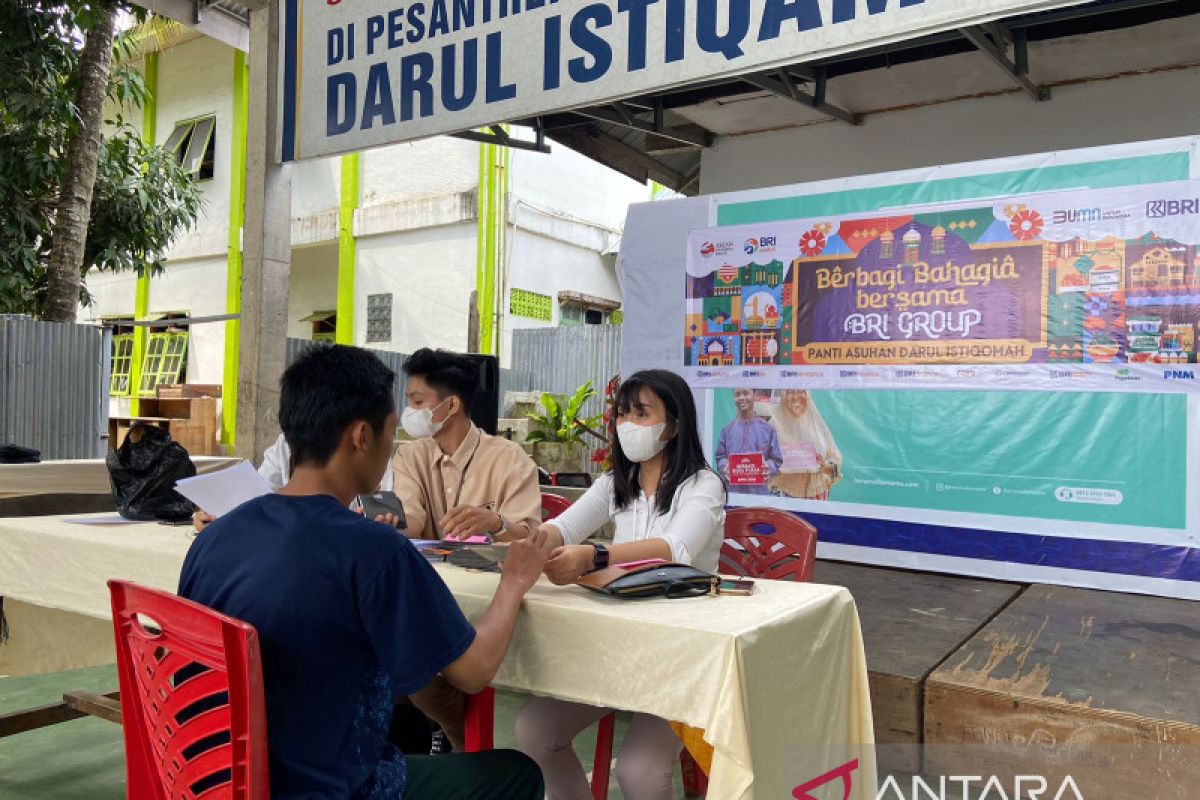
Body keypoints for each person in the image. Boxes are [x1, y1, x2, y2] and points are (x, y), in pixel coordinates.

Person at [177, 344, 546, 800]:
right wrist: (513, 583)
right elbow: (473, 673)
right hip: (331, 787)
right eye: (391, 431)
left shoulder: (213, 539)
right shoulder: (374, 551)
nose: (395, 447)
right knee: (516, 773)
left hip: (215, 779)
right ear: (361, 437)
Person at [514, 369, 726, 800]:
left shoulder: (703, 485)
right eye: (623, 413)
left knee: (638, 773)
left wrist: (596, 556)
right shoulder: (616, 482)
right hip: (618, 647)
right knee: (534, 731)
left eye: (642, 413)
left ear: (675, 426)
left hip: (681, 655)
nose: (628, 423)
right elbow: (564, 526)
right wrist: (527, 545)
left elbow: (676, 547)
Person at [389, 348, 543, 752]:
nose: (410, 411)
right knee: (401, 660)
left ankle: (464, 745)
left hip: (487, 597)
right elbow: (413, 517)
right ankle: (452, 736)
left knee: (419, 662)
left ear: (450, 405)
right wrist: (388, 520)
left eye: (417, 402)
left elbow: (531, 535)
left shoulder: (509, 460)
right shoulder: (410, 455)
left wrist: (497, 523)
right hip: (432, 590)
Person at [769, 389, 842, 500]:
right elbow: (761, 460)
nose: (795, 397)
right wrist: (776, 464)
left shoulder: (817, 425)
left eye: (801, 392)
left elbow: (835, 461)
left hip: (815, 492)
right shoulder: (772, 425)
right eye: (790, 392)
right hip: (781, 493)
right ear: (783, 396)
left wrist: (825, 466)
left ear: (808, 395)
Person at [714, 387, 782, 495]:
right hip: (733, 494)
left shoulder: (768, 430)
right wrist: (725, 466)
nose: (741, 398)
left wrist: (768, 466)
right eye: (737, 394)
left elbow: (777, 460)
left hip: (760, 494)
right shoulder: (726, 430)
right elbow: (720, 458)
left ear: (755, 395)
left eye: (746, 393)